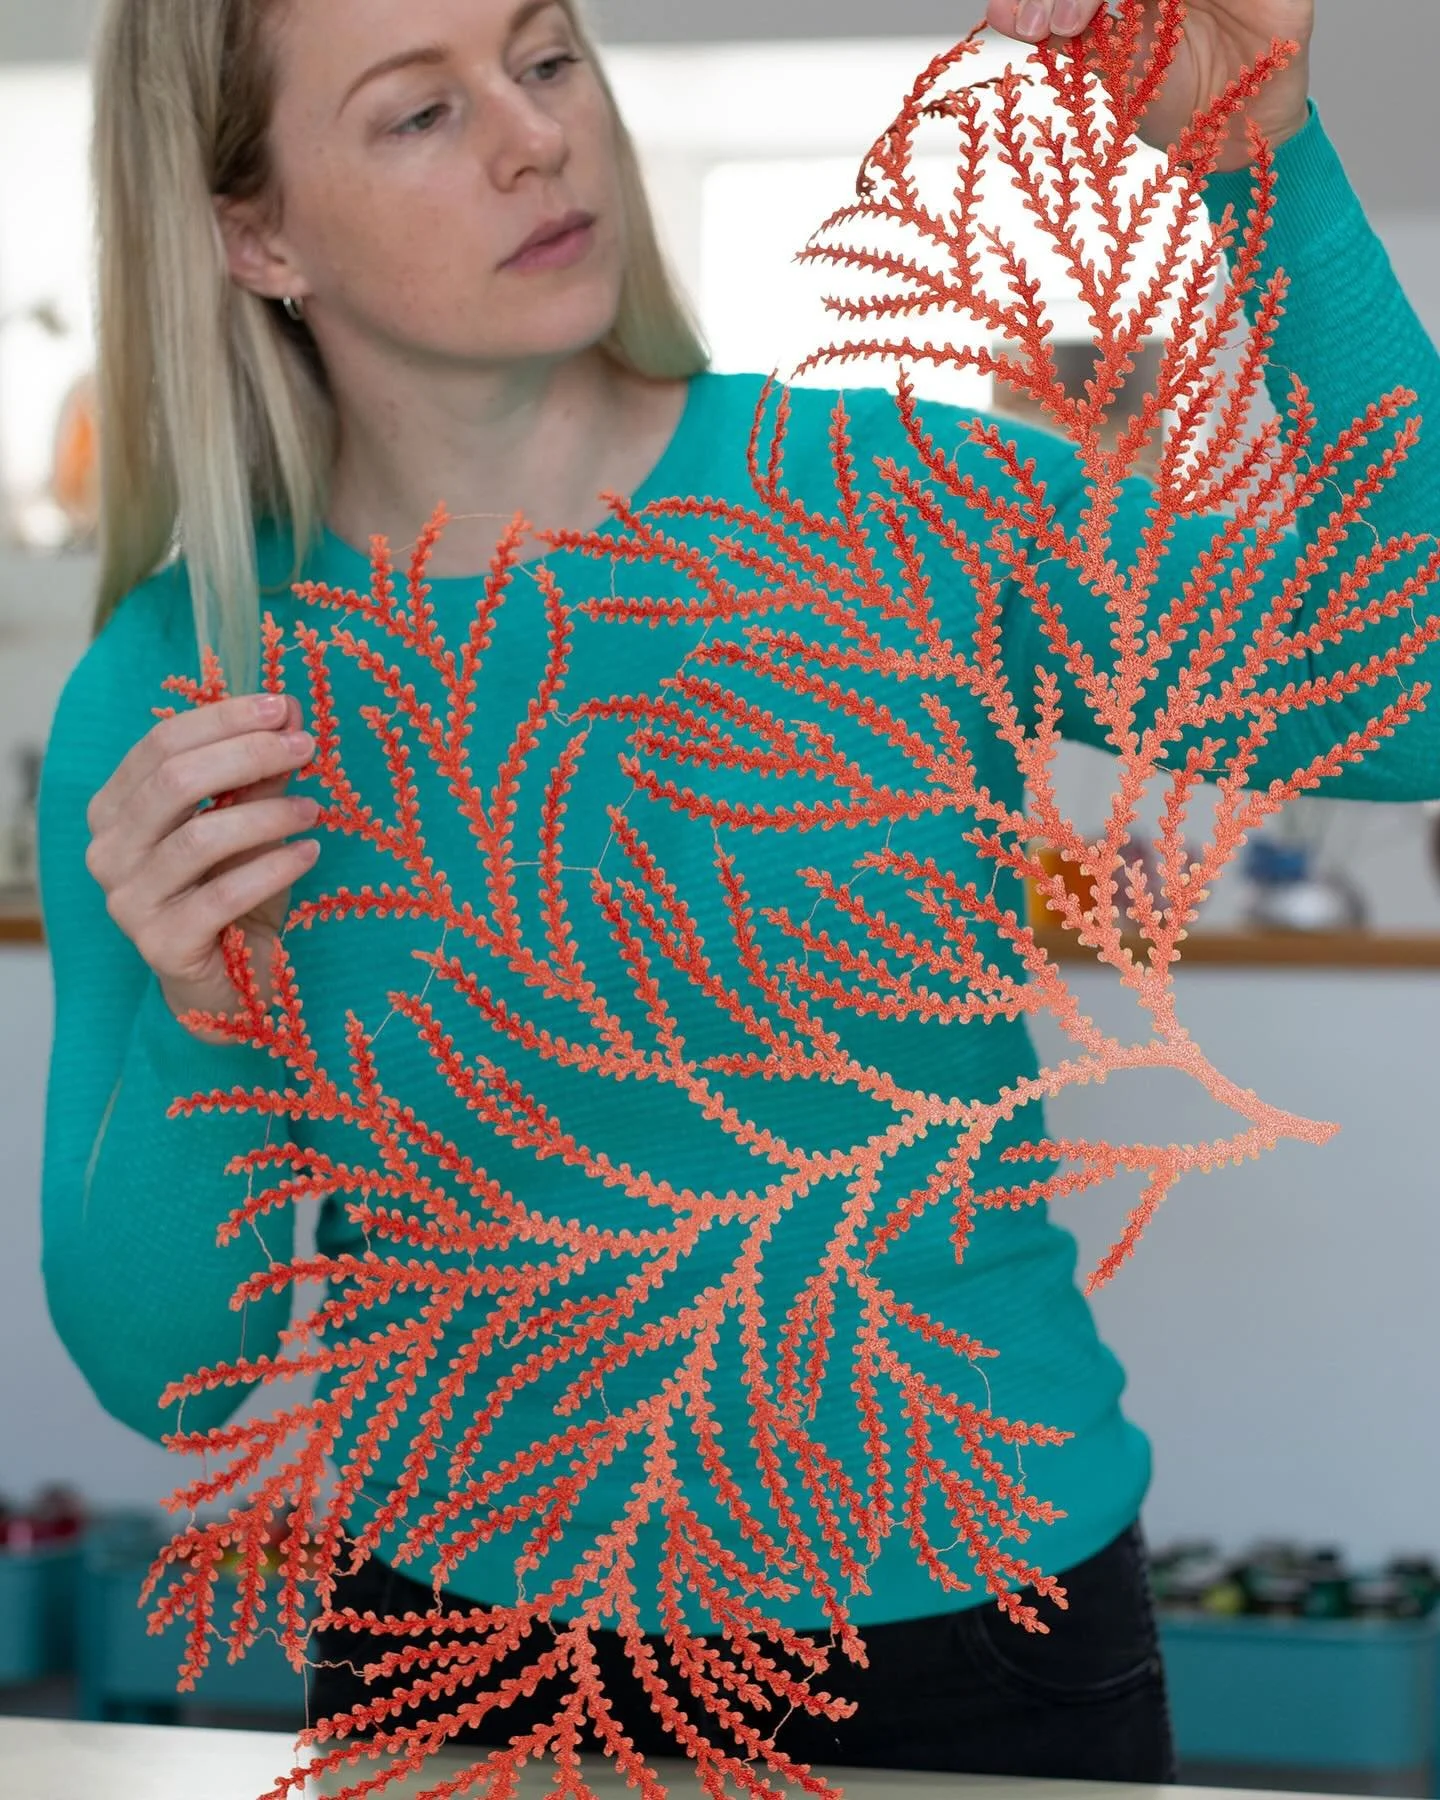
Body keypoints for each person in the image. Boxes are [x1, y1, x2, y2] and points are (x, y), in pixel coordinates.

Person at [35, 0, 1440, 1783]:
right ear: (257, 234)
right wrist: (199, 1015)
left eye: (545, 62)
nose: (532, 135)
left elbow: (1412, 687)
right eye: (417, 114)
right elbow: (173, 1375)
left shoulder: (893, 494)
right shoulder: (189, 691)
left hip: (977, 1634)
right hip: (460, 1669)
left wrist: (1252, 169)